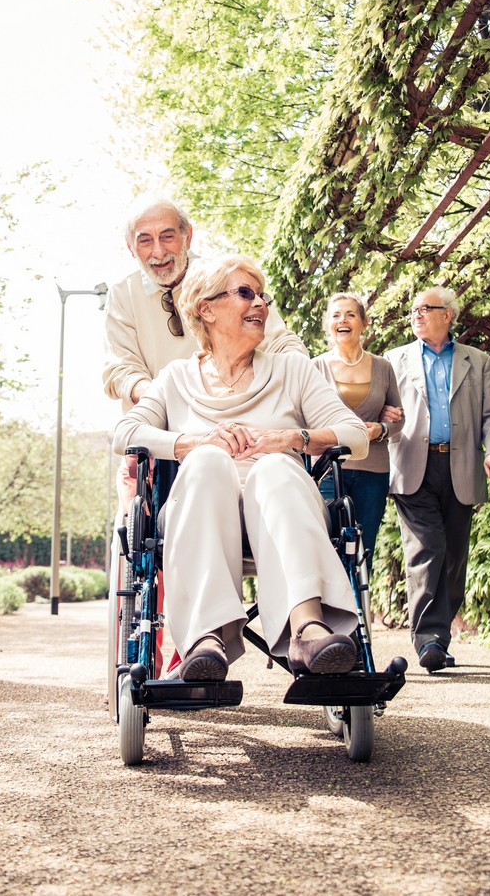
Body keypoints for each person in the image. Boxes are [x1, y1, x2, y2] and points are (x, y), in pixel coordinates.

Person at [113, 255, 369, 681]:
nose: (261, 306)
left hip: (281, 509)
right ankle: (205, 638)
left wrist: (292, 439)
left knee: (273, 467)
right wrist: (191, 442)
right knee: (209, 460)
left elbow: (355, 435)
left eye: (262, 296)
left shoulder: (292, 369)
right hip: (202, 512)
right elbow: (126, 432)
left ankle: (308, 628)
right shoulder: (176, 378)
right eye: (246, 294)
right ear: (206, 309)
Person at [384, 286, 490, 672]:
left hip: (460, 465)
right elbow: (382, 411)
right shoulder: (394, 360)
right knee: (427, 548)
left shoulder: (478, 360)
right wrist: (383, 423)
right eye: (413, 310)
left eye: (425, 309)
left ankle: (440, 635)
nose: (416, 315)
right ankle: (429, 639)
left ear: (448, 315)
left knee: (455, 556)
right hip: (412, 464)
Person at [102, 194, 307, 409]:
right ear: (131, 249)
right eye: (145, 241)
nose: (158, 251)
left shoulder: (227, 277)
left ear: (187, 236)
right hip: (159, 423)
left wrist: (294, 381)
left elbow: (282, 345)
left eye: (167, 236)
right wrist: (163, 401)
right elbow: (122, 369)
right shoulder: (122, 296)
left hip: (233, 412)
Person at [312, 292, 403, 578]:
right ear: (328, 324)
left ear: (364, 323)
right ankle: (329, 616)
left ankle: (358, 617)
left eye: (350, 314)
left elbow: (399, 419)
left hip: (372, 470)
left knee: (364, 547)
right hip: (327, 469)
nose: (343, 320)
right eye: (336, 315)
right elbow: (305, 417)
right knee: (327, 545)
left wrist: (381, 429)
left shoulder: (383, 367)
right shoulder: (315, 368)